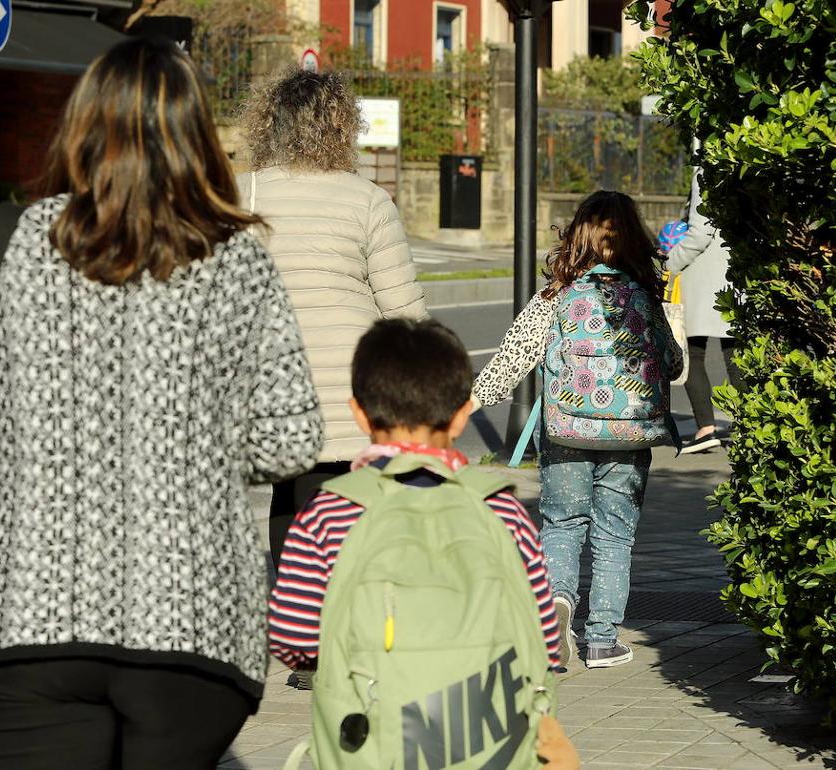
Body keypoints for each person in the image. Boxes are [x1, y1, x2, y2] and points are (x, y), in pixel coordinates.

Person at [0, 36, 324, 770]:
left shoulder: (7, 241)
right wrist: (195, 439)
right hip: (193, 627)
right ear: (198, 138)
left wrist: (26, 438)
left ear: (80, 125)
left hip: (22, 620)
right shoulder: (238, 258)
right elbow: (291, 440)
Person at [268, 319, 577, 767]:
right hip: (490, 741)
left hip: (371, 741)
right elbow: (545, 640)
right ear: (460, 416)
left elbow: (292, 637)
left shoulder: (328, 512)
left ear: (359, 413)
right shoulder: (502, 510)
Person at [472, 191, 683, 669]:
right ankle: (603, 641)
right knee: (614, 535)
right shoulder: (644, 297)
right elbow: (674, 364)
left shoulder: (556, 295)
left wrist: (467, 402)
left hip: (566, 433)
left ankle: (556, 615)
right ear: (633, 240)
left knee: (562, 527)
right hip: (629, 435)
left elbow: (512, 357)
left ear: (576, 238)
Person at [238, 70, 428, 574]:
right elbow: (404, 313)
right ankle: (339, 607)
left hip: (271, 379)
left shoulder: (242, 195)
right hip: (351, 383)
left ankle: (295, 608)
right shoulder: (368, 200)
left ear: (268, 125)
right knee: (343, 498)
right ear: (343, 127)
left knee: (286, 490)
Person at [666, 170, 745, 454]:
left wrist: (670, 261)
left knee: (691, 350)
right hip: (737, 270)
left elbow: (700, 232)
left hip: (703, 272)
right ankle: (747, 426)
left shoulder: (706, 170)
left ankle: (705, 428)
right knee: (736, 351)